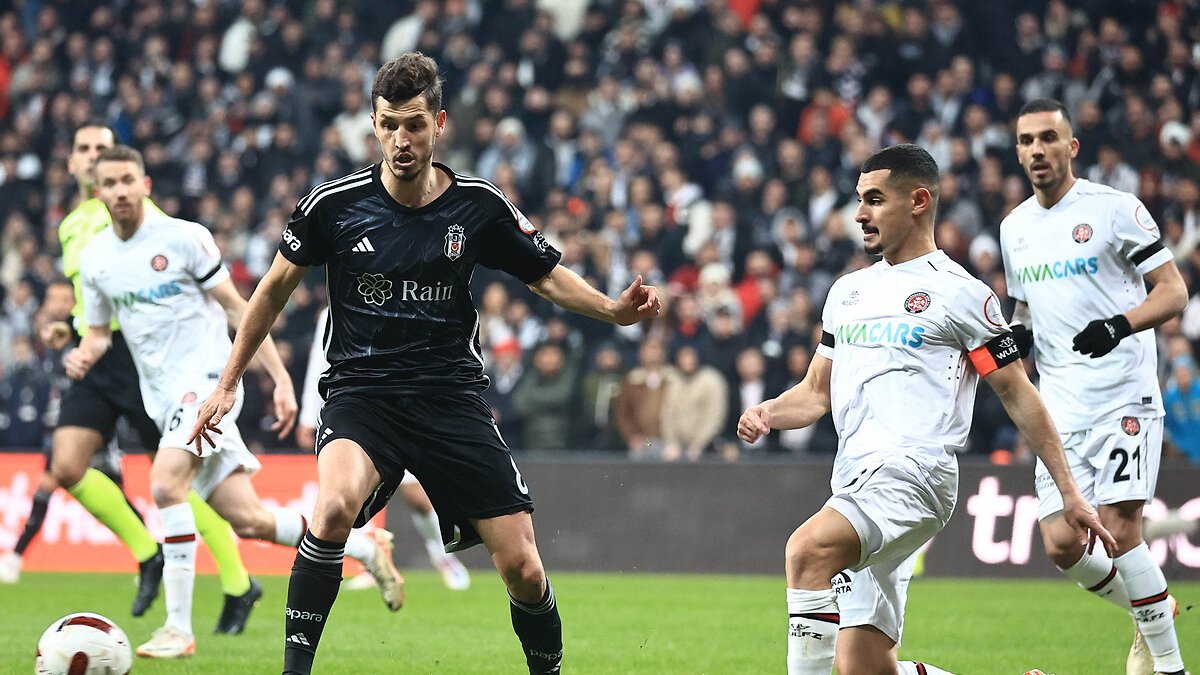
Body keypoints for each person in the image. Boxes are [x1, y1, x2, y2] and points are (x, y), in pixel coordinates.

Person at [188, 52, 661, 675]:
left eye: (414, 124)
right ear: (373, 125)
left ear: (439, 124)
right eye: (389, 125)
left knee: (523, 567)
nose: (401, 139)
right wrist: (227, 384)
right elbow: (271, 291)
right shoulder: (332, 205)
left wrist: (613, 311)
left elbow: (545, 276)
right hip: (363, 396)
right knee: (331, 510)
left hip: (450, 399)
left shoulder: (479, 205)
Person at [737, 144, 1113, 675]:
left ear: (918, 201)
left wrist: (1070, 492)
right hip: (854, 481)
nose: (859, 214)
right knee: (864, 667)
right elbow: (816, 392)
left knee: (807, 551)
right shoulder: (848, 293)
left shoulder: (962, 294)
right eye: (858, 200)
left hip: (915, 476)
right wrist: (769, 412)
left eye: (874, 200)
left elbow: (1017, 393)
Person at [69, 145, 405, 660]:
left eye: (127, 180)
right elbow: (97, 334)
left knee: (165, 484)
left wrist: (280, 379)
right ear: (97, 192)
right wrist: (80, 352)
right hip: (163, 397)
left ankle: (177, 628)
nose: (120, 191)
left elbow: (239, 308)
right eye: (109, 184)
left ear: (145, 184)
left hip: (208, 384)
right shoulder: (95, 260)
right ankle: (363, 547)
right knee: (249, 521)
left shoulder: (184, 239)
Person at [0, 122, 259, 634]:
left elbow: (162, 274)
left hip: (147, 357)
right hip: (96, 352)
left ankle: (237, 580)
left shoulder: (139, 213)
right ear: (75, 164)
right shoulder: (72, 226)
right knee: (66, 464)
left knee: (178, 480)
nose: (93, 156)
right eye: (84, 149)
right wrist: (68, 328)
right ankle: (147, 553)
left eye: (101, 148)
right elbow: (91, 298)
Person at [1000, 98, 1189, 675]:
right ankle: (1152, 606)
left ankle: (1171, 667)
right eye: (1027, 141)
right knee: (1061, 544)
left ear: (1071, 147)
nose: (1038, 150)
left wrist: (1119, 325)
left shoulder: (1114, 210)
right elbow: (1023, 309)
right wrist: (1014, 336)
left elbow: (1173, 291)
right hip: (1058, 408)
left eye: (1048, 138)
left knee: (1122, 531)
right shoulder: (1014, 228)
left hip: (1122, 397)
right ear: (1018, 152)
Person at [296, 308, 470, 592]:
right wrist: (307, 415)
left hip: (405, 408)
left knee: (417, 497)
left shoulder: (401, 300)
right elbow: (320, 360)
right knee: (353, 494)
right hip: (355, 413)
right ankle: (372, 561)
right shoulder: (334, 310)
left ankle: (442, 555)